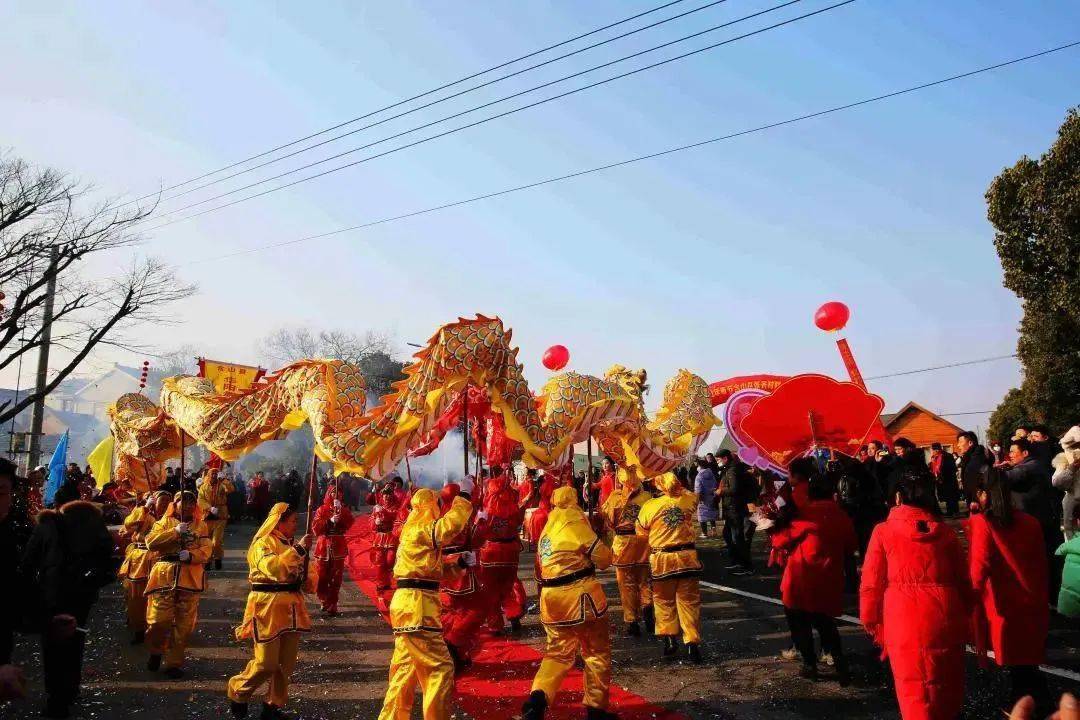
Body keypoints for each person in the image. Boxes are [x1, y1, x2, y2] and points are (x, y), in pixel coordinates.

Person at [860, 469, 971, 720]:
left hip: (904, 614)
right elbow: (963, 580)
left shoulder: (883, 532)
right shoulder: (946, 533)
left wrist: (870, 620)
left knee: (914, 686)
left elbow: (871, 583)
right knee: (947, 679)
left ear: (897, 498)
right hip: (946, 611)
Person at [377, 481, 473, 720]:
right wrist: (464, 496)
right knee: (440, 669)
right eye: (438, 505)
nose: (440, 509)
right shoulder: (420, 528)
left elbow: (430, 572)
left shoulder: (413, 531)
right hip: (418, 607)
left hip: (408, 603)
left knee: (404, 672)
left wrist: (459, 564)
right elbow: (451, 527)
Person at [521, 486, 615, 720]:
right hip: (581, 599)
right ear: (574, 501)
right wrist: (605, 538)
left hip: (552, 601)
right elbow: (603, 559)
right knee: (595, 653)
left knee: (556, 654)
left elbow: (538, 572)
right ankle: (596, 709)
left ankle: (537, 699)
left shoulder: (547, 529)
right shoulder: (575, 521)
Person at [21, 499, 115, 719]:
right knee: (75, 640)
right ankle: (71, 688)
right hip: (80, 595)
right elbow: (106, 558)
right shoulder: (94, 525)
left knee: (52, 647)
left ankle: (56, 698)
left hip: (50, 594)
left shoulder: (46, 524)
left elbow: (28, 561)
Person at [227, 502, 317, 719]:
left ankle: (272, 706)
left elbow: (311, 583)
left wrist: (306, 577)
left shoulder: (296, 544)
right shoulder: (262, 543)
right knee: (266, 663)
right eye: (294, 520)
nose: (297, 525)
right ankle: (238, 690)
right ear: (280, 521)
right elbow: (273, 568)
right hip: (267, 607)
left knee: (285, 665)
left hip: (293, 609)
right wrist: (298, 551)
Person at [969, 469, 1049, 710]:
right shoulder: (1031, 522)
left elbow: (978, 569)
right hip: (1033, 599)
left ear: (984, 494)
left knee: (1018, 672)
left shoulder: (985, 523)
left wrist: (966, 600)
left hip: (1004, 605)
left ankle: (1029, 708)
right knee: (1027, 666)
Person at [771, 471, 856, 682]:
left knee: (800, 622)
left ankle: (810, 664)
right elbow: (851, 545)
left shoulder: (805, 514)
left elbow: (780, 541)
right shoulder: (841, 515)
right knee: (826, 622)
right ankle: (839, 661)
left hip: (802, 577)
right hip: (830, 576)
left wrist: (774, 525)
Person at [143, 491, 213, 678]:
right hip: (164, 575)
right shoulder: (163, 523)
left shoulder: (202, 525)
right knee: (159, 620)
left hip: (190, 577)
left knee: (184, 625)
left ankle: (174, 662)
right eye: (183, 500)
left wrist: (192, 556)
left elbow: (206, 549)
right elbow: (150, 542)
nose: (187, 505)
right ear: (175, 504)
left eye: (191, 501)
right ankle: (156, 650)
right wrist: (173, 533)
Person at [637, 471, 703, 663]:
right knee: (688, 602)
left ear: (658, 484)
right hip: (687, 558)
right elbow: (691, 495)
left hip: (662, 559)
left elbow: (641, 532)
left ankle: (670, 640)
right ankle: (692, 644)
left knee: (664, 601)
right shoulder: (688, 499)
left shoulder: (650, 506)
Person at [1000, 438, 1061, 598]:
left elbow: (1010, 477)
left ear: (1025, 453)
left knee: (1043, 560)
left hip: (1037, 519)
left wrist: (994, 472)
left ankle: (1050, 596)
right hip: (1040, 517)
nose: (1010, 455)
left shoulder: (1030, 467)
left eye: (1013, 451)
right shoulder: (1032, 465)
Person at [600, 467, 654, 636]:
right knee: (645, 581)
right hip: (643, 542)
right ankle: (648, 610)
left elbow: (607, 519)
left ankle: (632, 621)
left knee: (626, 585)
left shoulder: (615, 498)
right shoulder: (647, 497)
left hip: (623, 544)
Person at [478, 466, 528, 634]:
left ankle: (495, 625)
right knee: (508, 585)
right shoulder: (514, 505)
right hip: (510, 551)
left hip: (490, 550)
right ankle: (514, 616)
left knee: (491, 589)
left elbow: (478, 532)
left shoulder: (485, 510)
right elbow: (519, 519)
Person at [118, 491, 170, 644]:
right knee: (136, 597)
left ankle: (155, 627)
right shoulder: (143, 514)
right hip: (140, 560)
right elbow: (129, 524)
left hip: (160, 561)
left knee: (159, 597)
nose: (165, 505)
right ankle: (138, 628)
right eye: (162, 501)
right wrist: (144, 508)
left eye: (168, 501)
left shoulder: (171, 519)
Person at [0, 459, 32, 702]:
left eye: (6, 493)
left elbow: (10, 595)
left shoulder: (8, 535)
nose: (6, 501)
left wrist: (46, 621)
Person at [311, 483, 354, 615]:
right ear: (329, 493)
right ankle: (324, 599)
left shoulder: (344, 509)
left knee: (336, 577)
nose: (337, 495)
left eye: (339, 492)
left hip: (338, 545)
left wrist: (341, 514)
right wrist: (329, 520)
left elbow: (349, 523)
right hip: (323, 545)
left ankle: (333, 603)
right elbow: (315, 529)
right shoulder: (321, 509)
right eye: (334, 492)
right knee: (321, 575)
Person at [716, 450, 756, 574]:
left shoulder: (733, 470)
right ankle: (737, 561)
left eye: (718, 459)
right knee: (729, 534)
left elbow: (734, 489)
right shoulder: (729, 470)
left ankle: (745, 565)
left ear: (725, 458)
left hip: (735, 507)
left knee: (738, 536)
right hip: (732, 507)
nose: (717, 462)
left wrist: (721, 492)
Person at [367, 480, 404, 612]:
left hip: (391, 537)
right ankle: (381, 586)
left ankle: (387, 581)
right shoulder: (377, 507)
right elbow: (370, 524)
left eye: (389, 494)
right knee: (380, 563)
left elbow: (396, 517)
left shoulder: (396, 506)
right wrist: (375, 521)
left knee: (390, 561)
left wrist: (385, 513)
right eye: (384, 494)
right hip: (379, 538)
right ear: (381, 495)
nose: (386, 496)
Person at [197, 468, 235, 570]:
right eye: (212, 473)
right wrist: (209, 508)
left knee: (216, 541)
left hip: (220, 515)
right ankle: (208, 560)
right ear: (208, 475)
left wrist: (224, 480)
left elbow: (231, 489)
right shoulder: (203, 487)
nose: (214, 475)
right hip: (207, 516)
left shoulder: (222, 484)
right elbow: (200, 500)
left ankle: (218, 558)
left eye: (216, 473)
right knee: (207, 540)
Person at [1051, 426, 1080, 540]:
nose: (1077, 449)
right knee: (1070, 531)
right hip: (1072, 504)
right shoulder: (1064, 461)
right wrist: (1072, 469)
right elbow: (1057, 482)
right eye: (1074, 446)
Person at [957, 430, 991, 505]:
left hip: (979, 501)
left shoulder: (977, 458)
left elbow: (976, 482)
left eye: (960, 442)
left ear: (970, 443)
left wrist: (974, 499)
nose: (958, 445)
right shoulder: (969, 458)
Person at [929, 443, 959, 516]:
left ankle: (954, 512)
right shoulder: (935, 457)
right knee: (947, 496)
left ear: (936, 450)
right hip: (941, 480)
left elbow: (951, 468)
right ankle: (950, 511)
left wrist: (942, 474)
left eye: (932, 450)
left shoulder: (946, 456)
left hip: (948, 479)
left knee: (951, 496)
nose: (931, 451)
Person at [693, 457, 719, 538]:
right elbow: (715, 484)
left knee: (702, 516)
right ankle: (714, 530)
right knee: (712, 514)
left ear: (700, 466)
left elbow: (698, 489)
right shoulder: (711, 474)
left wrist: (696, 500)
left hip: (703, 499)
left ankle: (704, 533)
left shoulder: (699, 476)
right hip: (712, 496)